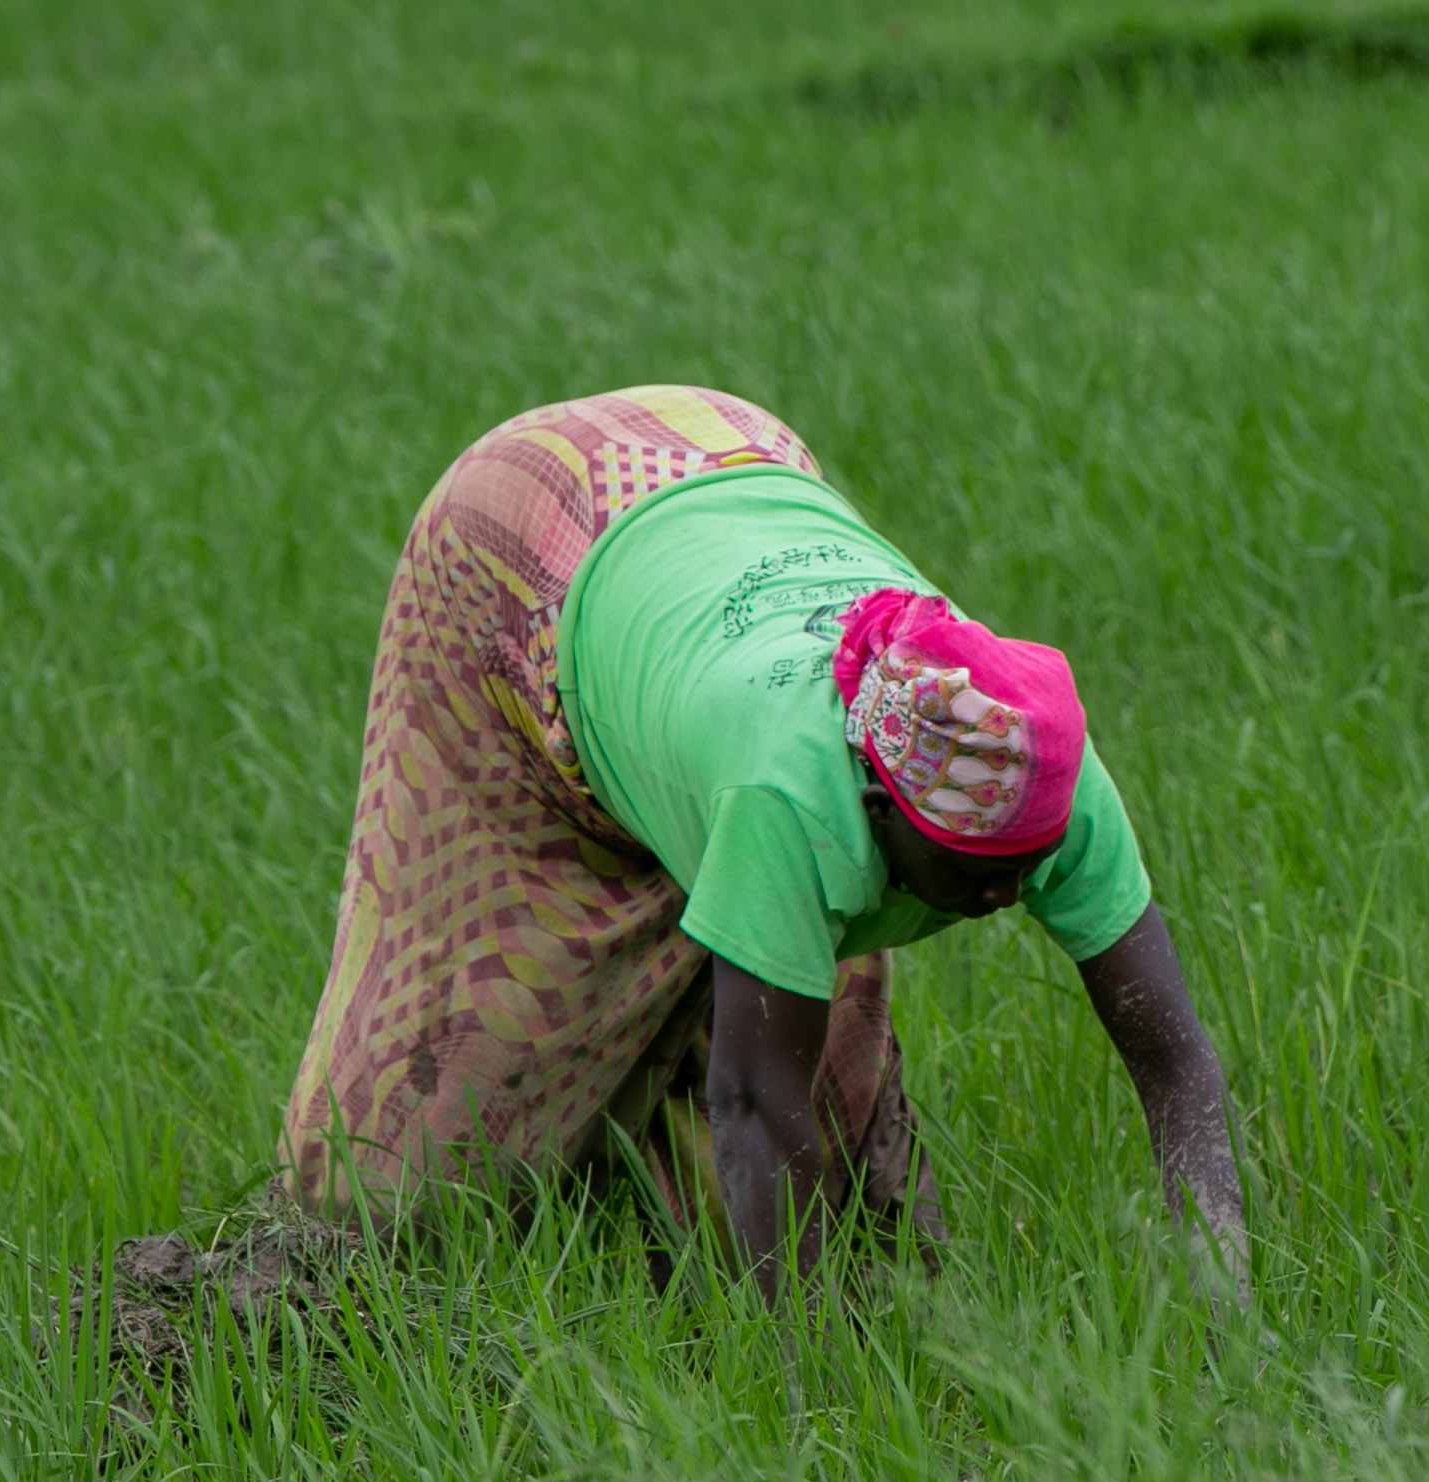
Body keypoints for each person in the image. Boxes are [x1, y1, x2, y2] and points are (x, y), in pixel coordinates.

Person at [279, 386, 1244, 1300]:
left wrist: (1222, 1291)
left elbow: (1174, 1058)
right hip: (521, 536)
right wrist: (801, 1384)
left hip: (733, 453)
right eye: (970, 875)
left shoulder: (1033, 756)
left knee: (836, 1146)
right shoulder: (793, 792)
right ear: (876, 800)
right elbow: (750, 1101)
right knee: (395, 1181)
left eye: (1022, 869)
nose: (1002, 900)